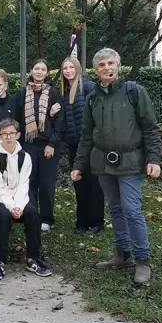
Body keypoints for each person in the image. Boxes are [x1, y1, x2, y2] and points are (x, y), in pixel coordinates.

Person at [72, 48, 161, 286]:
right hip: (102, 163)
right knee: (115, 209)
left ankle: (142, 260)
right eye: (102, 65)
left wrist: (153, 159)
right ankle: (122, 254)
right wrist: (79, 164)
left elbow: (151, 128)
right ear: (96, 69)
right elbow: (87, 135)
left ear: (118, 66)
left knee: (132, 209)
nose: (107, 68)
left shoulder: (134, 92)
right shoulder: (92, 98)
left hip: (130, 162)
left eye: (111, 63)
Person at [0, 118, 50, 280]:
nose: (8, 137)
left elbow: (24, 185)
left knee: (32, 213)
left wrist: (19, 206)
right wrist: (10, 206)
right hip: (0, 198)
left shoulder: (25, 157)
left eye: (12, 133)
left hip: (19, 198)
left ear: (18, 135)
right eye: (5, 134)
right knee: (2, 216)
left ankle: (33, 258)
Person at [12, 59, 65, 232]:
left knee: (47, 184)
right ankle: (31, 214)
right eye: (37, 68)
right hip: (28, 145)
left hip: (48, 146)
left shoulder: (54, 93)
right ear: (32, 71)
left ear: (47, 73)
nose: (39, 72)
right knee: (29, 182)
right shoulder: (21, 93)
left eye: (43, 69)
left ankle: (47, 219)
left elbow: (60, 122)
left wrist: (52, 143)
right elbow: (16, 120)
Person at [57, 57, 105, 234]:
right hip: (73, 145)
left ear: (78, 68)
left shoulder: (88, 86)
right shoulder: (64, 91)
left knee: (94, 184)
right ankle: (82, 222)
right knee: (79, 183)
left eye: (71, 67)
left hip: (91, 144)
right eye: (65, 68)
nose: (68, 70)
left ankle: (97, 223)